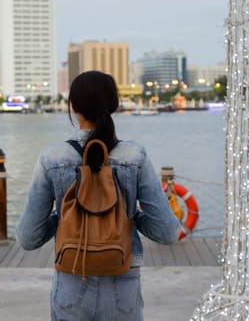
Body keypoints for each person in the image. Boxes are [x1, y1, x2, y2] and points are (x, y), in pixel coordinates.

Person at [16, 70, 182, 321]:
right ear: (114, 105)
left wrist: (63, 217)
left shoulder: (52, 158)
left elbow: (28, 238)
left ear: (73, 107)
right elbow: (168, 233)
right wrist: (130, 215)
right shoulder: (135, 156)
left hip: (72, 275)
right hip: (122, 280)